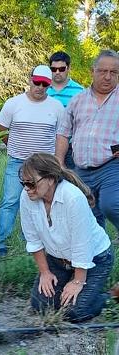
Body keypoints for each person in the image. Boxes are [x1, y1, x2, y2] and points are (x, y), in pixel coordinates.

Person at [19, 153, 113, 322]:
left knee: (75, 312)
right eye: (23, 183)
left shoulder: (73, 198)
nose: (26, 188)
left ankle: (109, 295)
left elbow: (82, 245)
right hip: (58, 260)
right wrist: (45, 272)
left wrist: (77, 282)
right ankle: (69, 283)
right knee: (41, 305)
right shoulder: (27, 198)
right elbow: (33, 240)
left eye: (31, 183)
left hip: (95, 258)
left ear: (50, 179)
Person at [0, 65, 64, 257]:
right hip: (17, 162)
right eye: (37, 82)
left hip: (44, 166)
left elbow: (61, 134)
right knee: (10, 201)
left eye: (45, 84)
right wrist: (14, 147)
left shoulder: (57, 107)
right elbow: (2, 129)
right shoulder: (13, 103)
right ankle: (3, 245)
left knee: (44, 203)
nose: (40, 87)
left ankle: (43, 244)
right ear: (30, 80)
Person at [56, 49, 119, 235]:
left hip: (111, 166)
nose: (107, 77)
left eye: (113, 72)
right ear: (93, 71)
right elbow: (63, 133)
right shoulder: (77, 100)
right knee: (88, 218)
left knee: (111, 204)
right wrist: (59, 162)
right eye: (102, 71)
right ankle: (101, 257)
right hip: (81, 170)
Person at [47, 51, 84, 169]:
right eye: (54, 69)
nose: (57, 72)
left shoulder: (80, 92)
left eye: (61, 69)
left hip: (71, 148)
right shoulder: (42, 89)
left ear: (68, 68)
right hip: (46, 146)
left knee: (72, 183)